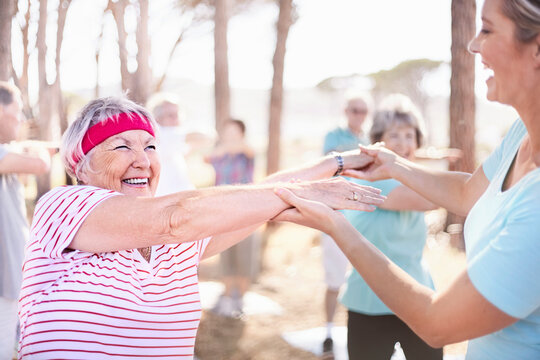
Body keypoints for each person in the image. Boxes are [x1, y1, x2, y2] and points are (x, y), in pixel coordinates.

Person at [17, 96, 384, 359]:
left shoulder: (178, 241)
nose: (143, 161)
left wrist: (337, 164)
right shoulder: (61, 208)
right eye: (122, 147)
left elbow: (256, 195)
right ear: (81, 165)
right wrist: (305, 194)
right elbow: (176, 218)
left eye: (150, 146)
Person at [273, 0, 540, 358]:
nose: (473, 44)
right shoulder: (520, 134)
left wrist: (337, 226)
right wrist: (396, 165)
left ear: (537, 49)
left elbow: (436, 324)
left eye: (487, 29)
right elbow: (465, 191)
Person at [339, 94, 442, 359]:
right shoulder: (373, 178)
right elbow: (429, 199)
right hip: (371, 302)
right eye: (395, 135)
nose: (404, 143)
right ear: (379, 141)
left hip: (417, 296)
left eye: (410, 136)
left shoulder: (414, 178)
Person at [0, 82, 50, 360]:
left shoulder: (7, 151)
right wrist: (37, 151)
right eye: (16, 112)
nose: (20, 120)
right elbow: (40, 165)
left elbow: (24, 179)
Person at [320, 92, 371, 357]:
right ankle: (328, 331)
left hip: (365, 216)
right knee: (334, 279)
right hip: (338, 214)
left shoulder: (369, 140)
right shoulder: (334, 137)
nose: (358, 115)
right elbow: (330, 164)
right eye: (354, 110)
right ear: (346, 111)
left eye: (363, 110)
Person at [205, 119, 257, 317]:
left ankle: (240, 299)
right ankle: (227, 297)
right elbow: (207, 158)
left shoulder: (246, 153)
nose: (230, 135)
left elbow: (248, 150)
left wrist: (230, 145)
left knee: (244, 256)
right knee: (225, 254)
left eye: (234, 132)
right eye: (227, 132)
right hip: (223, 212)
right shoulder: (220, 155)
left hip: (246, 212)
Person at [147, 94, 194, 195]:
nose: (176, 119)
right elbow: (202, 136)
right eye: (171, 115)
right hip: (170, 200)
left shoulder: (169, 136)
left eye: (177, 115)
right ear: (157, 118)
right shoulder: (162, 134)